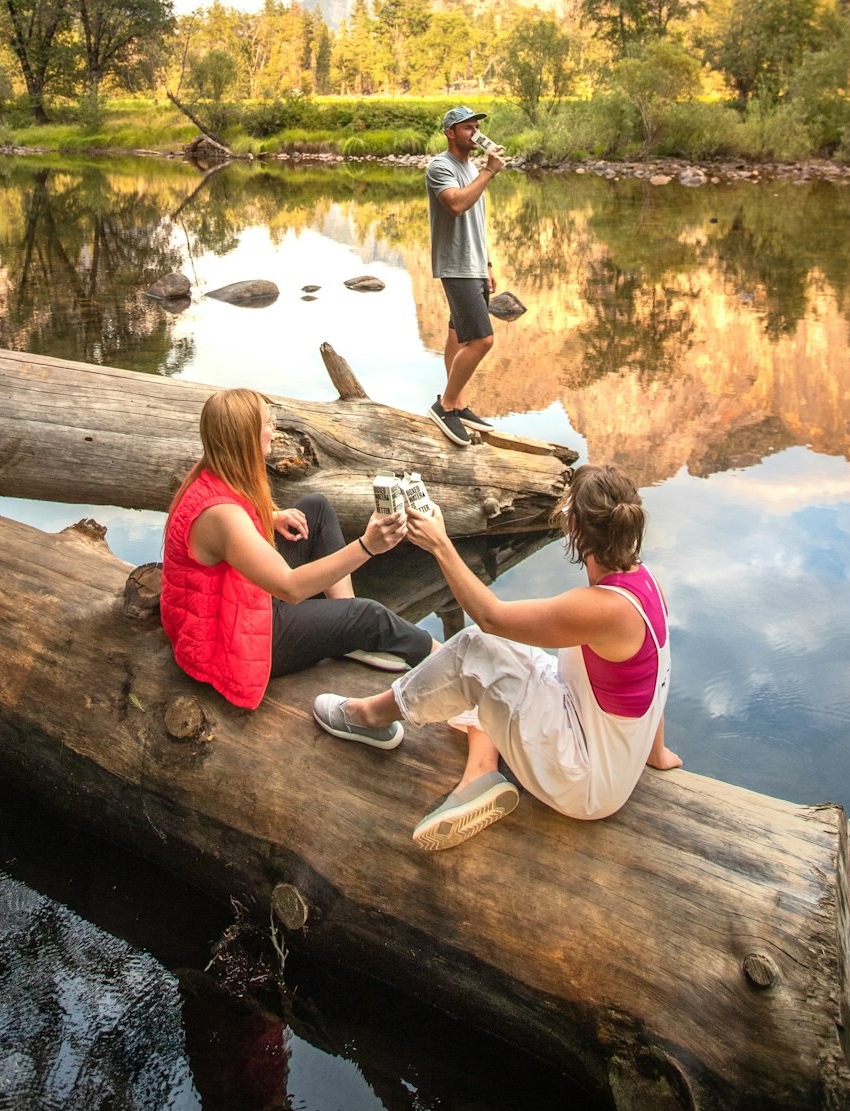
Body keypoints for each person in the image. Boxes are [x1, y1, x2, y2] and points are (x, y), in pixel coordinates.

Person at [313, 465, 682, 850]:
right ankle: (480, 772)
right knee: (507, 653)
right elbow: (658, 674)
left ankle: (369, 717)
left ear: (574, 525)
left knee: (476, 647)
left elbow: (491, 618)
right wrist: (654, 753)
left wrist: (440, 545)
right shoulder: (645, 584)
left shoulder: (600, 607)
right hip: (605, 757)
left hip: (585, 786)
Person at [161, 388, 435, 711]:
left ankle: (346, 626)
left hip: (231, 604)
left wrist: (271, 516)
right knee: (370, 616)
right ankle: (445, 657)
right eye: (268, 422)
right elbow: (289, 588)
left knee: (315, 510)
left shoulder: (214, 469)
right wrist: (367, 546)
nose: (275, 428)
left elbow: (232, 528)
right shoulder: (223, 517)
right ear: (246, 437)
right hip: (232, 640)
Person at [425, 104, 505, 446]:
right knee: (482, 340)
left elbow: (477, 222)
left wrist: (486, 264)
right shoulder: (439, 167)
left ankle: (457, 403)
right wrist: (489, 173)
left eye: (475, 126)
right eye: (467, 127)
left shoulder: (470, 166)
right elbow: (456, 205)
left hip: (472, 265)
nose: (474, 132)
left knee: (457, 335)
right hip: (455, 266)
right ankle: (444, 406)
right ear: (450, 133)